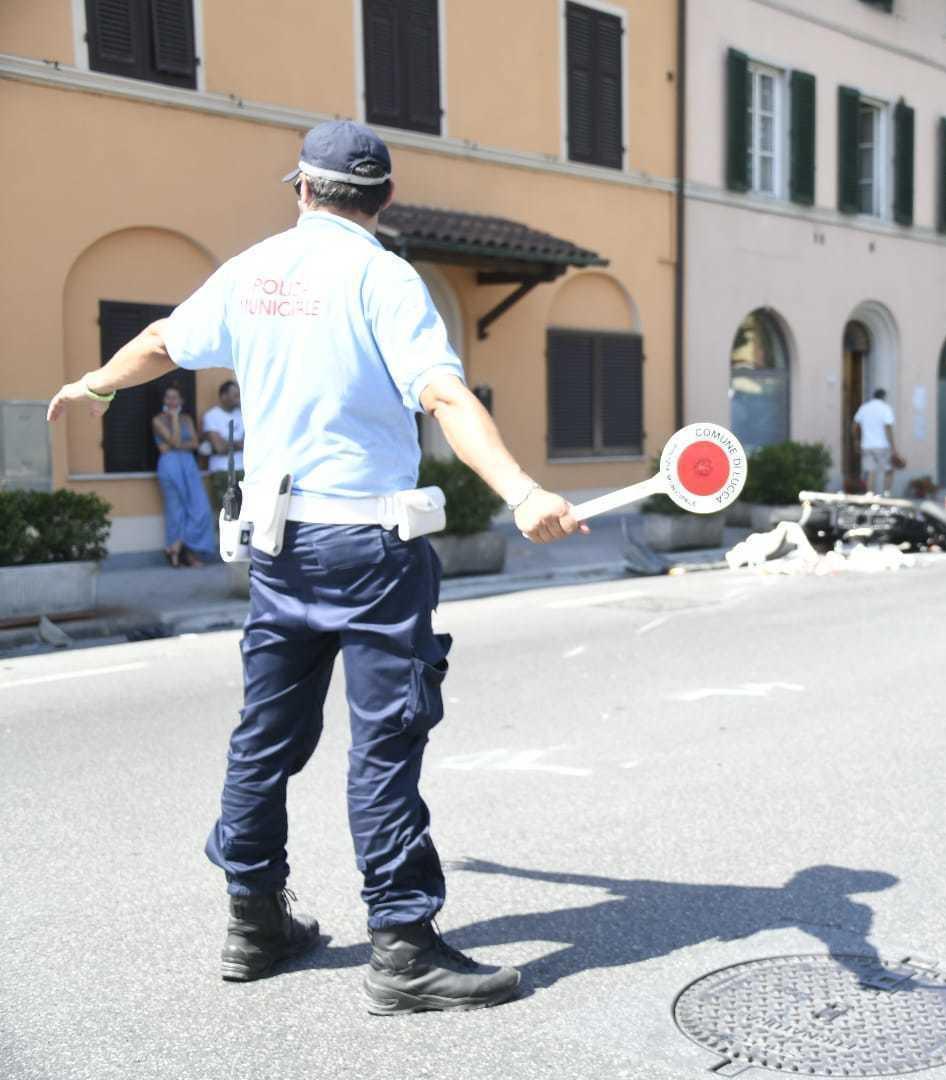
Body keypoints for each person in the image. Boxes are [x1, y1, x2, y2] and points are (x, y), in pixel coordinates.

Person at [46, 120, 582, 1015]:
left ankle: (253, 923)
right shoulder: (385, 277)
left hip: (278, 547)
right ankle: (403, 948)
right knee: (384, 743)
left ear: (302, 187)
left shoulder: (251, 270)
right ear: (384, 199)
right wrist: (522, 490)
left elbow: (161, 344)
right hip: (371, 549)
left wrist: (95, 385)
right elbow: (443, 392)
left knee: (266, 736)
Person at [152, 384, 219, 567]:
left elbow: (194, 444)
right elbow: (175, 440)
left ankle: (177, 546)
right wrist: (173, 419)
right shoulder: (158, 420)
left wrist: (175, 445)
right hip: (169, 466)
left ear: (181, 401)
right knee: (176, 511)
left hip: (188, 464)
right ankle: (182, 556)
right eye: (168, 398)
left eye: (175, 398)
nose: (172, 401)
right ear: (164, 401)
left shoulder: (187, 419)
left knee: (200, 509)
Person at [853, 388, 898, 495]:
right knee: (889, 470)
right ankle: (886, 492)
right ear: (884, 397)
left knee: (871, 471)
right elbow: (888, 427)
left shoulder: (864, 408)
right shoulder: (885, 408)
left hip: (867, 444)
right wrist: (893, 446)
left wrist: (856, 440)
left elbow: (855, 425)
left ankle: (870, 494)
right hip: (882, 445)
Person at [201, 379, 245, 475]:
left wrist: (228, 442)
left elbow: (249, 443)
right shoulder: (211, 415)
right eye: (235, 396)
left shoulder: (242, 415)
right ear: (224, 396)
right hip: (222, 471)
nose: (239, 399)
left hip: (243, 469)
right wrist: (240, 444)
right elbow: (219, 448)